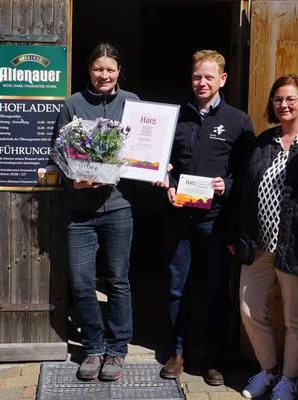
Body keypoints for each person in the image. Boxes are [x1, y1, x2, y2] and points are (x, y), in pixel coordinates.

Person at [230, 74, 298, 400]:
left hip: (297, 244)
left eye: (290, 98)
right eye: (278, 99)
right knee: (249, 308)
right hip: (259, 244)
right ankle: (268, 371)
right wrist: (237, 233)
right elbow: (244, 191)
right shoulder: (263, 141)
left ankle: (290, 380)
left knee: (296, 318)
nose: (284, 105)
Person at [159, 50, 254, 385]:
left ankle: (214, 357)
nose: (202, 83)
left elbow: (246, 173)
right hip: (178, 216)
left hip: (214, 219)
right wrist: (167, 181)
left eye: (209, 77)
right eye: (197, 76)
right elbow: (161, 160)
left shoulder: (238, 121)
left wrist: (225, 185)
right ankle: (178, 351)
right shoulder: (175, 118)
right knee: (176, 287)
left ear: (222, 79)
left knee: (215, 290)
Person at [54, 42, 139, 381]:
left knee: (118, 279)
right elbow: (58, 153)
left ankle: (117, 350)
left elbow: (146, 146)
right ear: (89, 70)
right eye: (98, 68)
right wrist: (72, 181)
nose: (104, 75)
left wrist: (157, 165)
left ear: (119, 71)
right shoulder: (73, 104)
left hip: (118, 207)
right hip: (80, 210)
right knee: (82, 281)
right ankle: (93, 346)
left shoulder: (131, 103)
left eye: (110, 69)